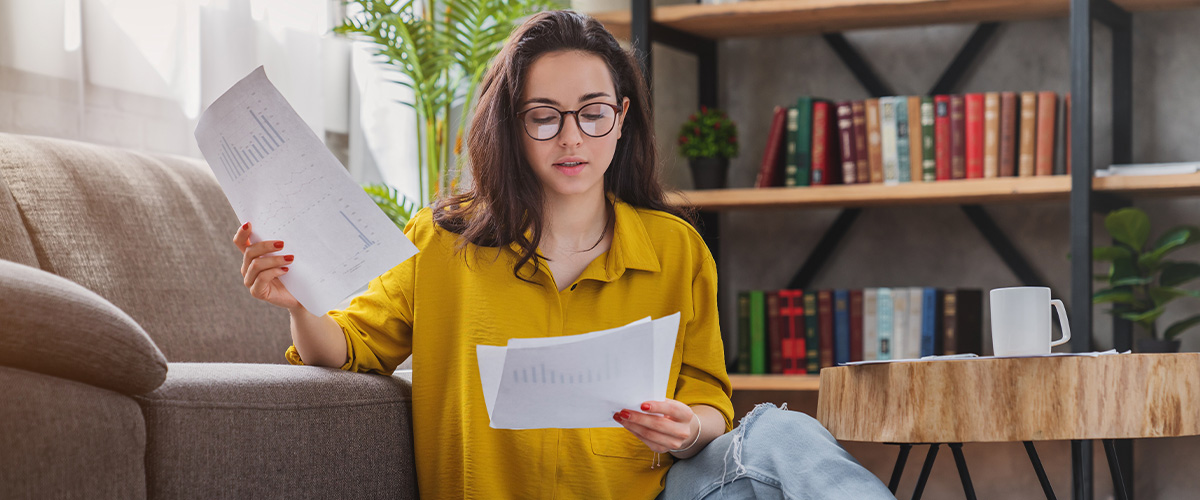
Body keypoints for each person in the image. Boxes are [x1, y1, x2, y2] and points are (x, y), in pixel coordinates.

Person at [232, 9, 893, 500]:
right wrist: (301, 302)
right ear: (512, 125)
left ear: (622, 116)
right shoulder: (442, 243)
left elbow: (708, 398)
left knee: (781, 437)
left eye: (592, 112)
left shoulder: (674, 247)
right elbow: (345, 348)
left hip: (655, 493)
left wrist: (686, 430)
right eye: (544, 116)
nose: (571, 137)